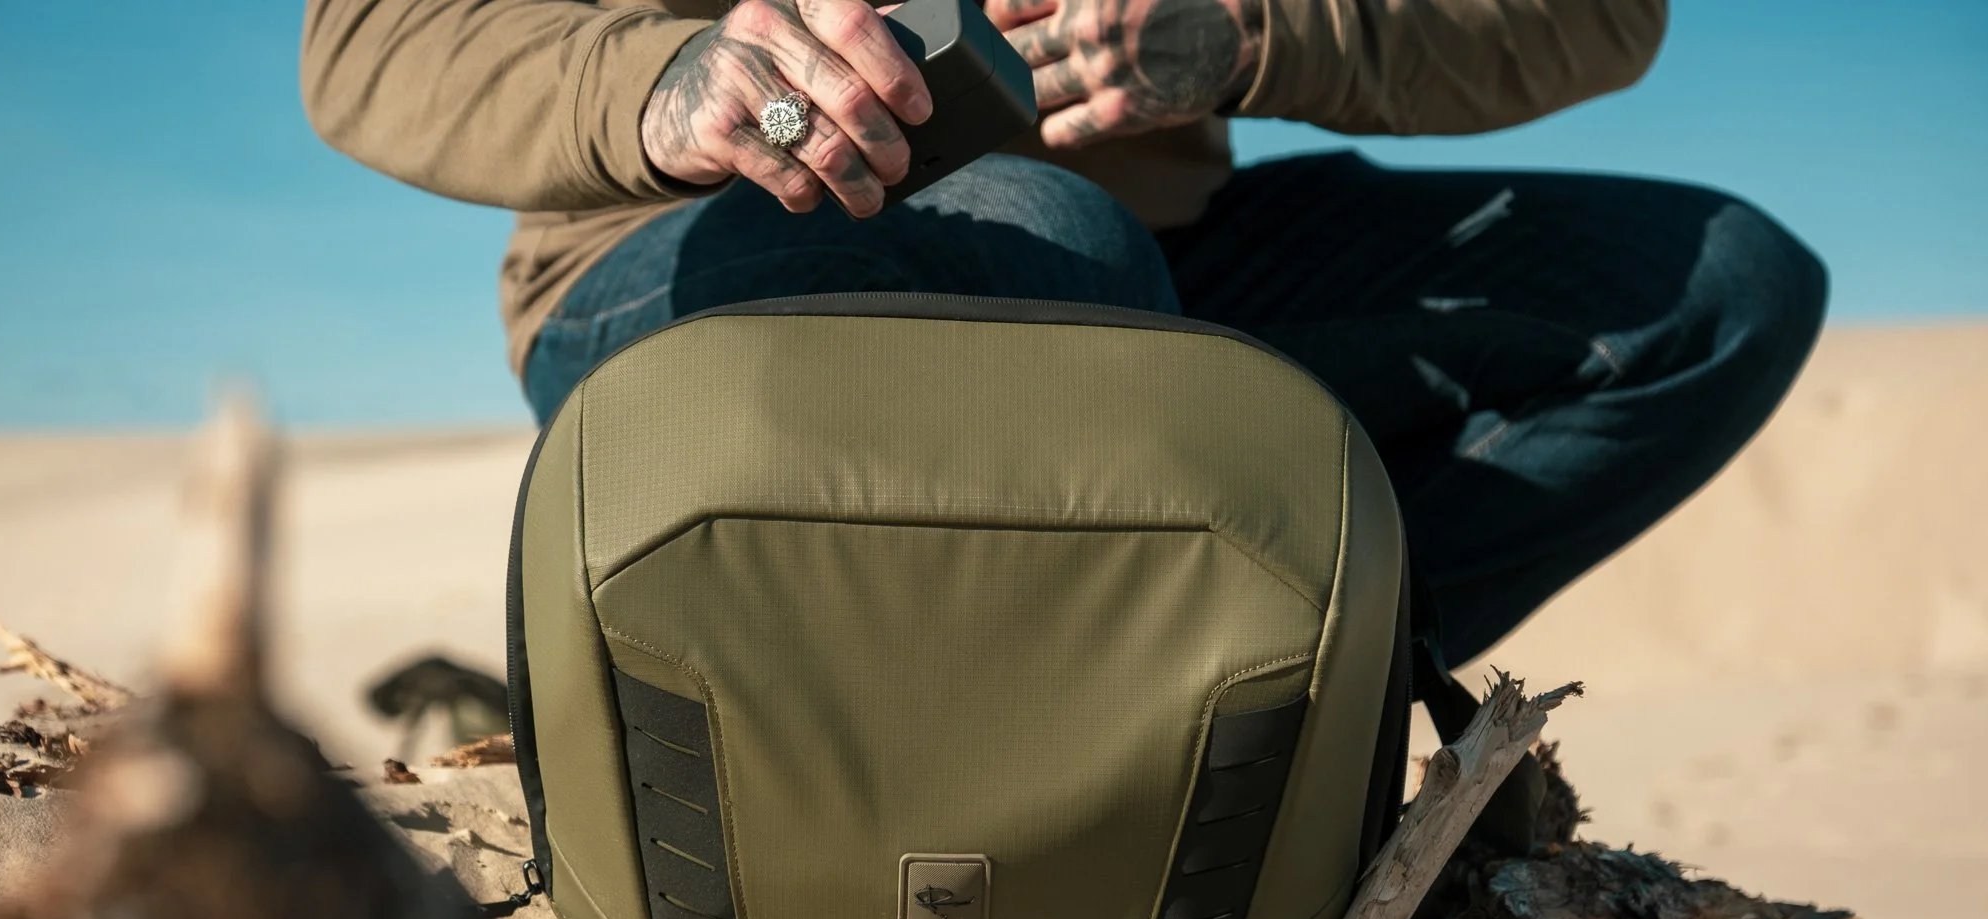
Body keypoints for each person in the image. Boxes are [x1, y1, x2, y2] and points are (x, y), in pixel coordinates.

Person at [302, 0, 1825, 670]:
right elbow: (365, 36)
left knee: (1715, 288)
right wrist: (668, 84)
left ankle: (1263, 711)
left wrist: (1253, 33)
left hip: (1152, 281)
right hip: (690, 263)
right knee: (1058, 260)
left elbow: (1593, 12)